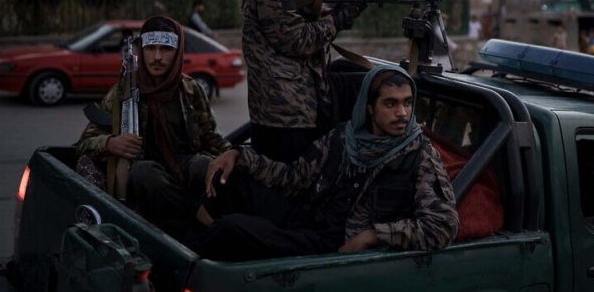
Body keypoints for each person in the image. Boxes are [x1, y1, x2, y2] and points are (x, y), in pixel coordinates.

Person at [186, 66, 459, 261]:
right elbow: (293, 178)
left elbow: (442, 225)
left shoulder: (419, 154)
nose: (402, 113)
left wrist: (374, 235)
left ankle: (183, 266)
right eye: (391, 104)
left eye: (407, 103)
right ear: (370, 107)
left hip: (332, 246)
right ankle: (187, 244)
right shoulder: (343, 137)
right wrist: (239, 155)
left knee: (233, 228)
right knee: (231, 180)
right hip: (306, 217)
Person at [75, 15, 230, 237]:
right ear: (142, 51)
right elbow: (84, 142)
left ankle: (199, 226)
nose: (157, 57)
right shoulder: (122, 92)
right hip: (148, 172)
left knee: (204, 164)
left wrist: (234, 155)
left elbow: (210, 137)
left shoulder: (190, 89)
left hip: (186, 164)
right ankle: (192, 229)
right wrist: (110, 143)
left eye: (166, 49)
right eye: (151, 48)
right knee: (143, 174)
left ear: (177, 53)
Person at [241, 0, 366, 162]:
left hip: (295, 107)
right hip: (283, 113)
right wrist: (337, 18)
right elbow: (296, 39)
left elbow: (312, 22)